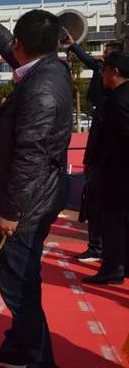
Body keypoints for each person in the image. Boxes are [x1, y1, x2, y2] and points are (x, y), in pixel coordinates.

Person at [0, 0, 70, 368]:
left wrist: (11, 212)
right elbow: (9, 46)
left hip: (28, 204)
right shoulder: (46, 68)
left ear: (24, 45)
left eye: (15, 44)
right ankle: (19, 350)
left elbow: (29, 156)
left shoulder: (40, 89)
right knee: (21, 280)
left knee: (20, 286)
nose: (12, 49)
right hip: (38, 196)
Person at [62, 36, 125, 264]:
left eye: (107, 58)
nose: (102, 65)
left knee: (104, 206)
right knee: (96, 203)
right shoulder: (107, 100)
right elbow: (89, 60)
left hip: (110, 166)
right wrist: (73, 45)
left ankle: (104, 252)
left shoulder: (117, 102)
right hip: (101, 161)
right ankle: (100, 249)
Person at [82, 52, 129, 285]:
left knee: (111, 222)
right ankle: (120, 265)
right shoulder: (117, 96)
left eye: (105, 71)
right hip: (118, 171)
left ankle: (112, 267)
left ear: (115, 72)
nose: (102, 75)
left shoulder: (117, 100)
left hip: (116, 173)